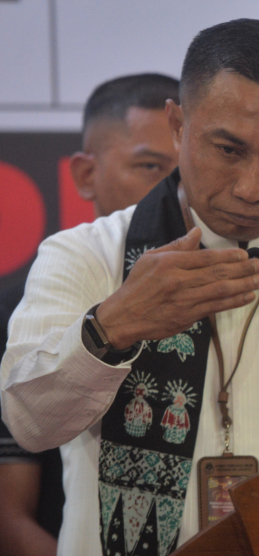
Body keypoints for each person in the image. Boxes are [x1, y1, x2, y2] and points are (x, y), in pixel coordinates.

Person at [0, 19, 259, 556]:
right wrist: (113, 327)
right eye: (228, 149)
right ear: (178, 125)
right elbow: (29, 423)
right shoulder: (87, 255)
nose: (252, 187)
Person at [0, 72, 179, 556]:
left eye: (188, 171)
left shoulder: (219, 286)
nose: (173, 191)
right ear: (85, 174)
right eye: (150, 166)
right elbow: (8, 519)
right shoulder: (14, 312)